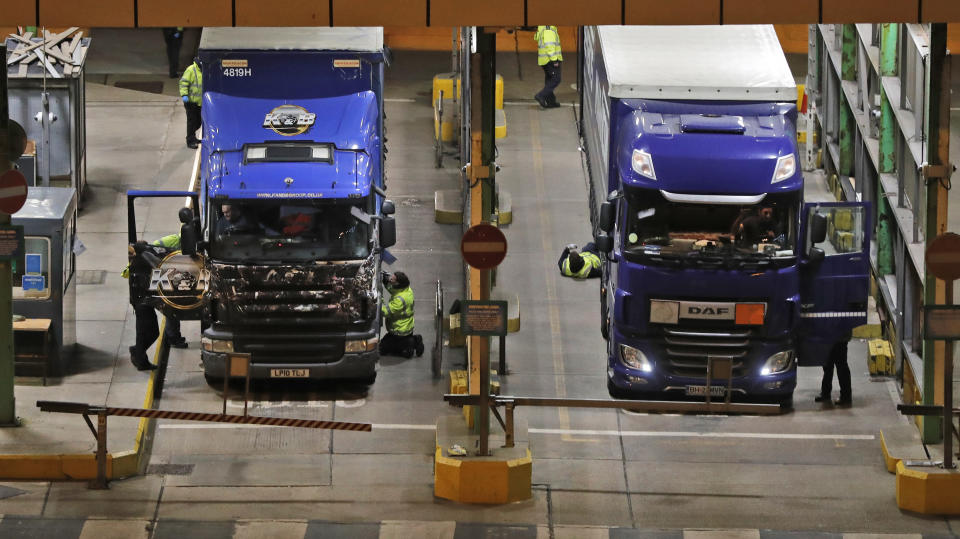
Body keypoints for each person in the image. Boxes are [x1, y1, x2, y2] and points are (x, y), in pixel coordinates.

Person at [122, 233, 188, 371]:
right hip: (141, 303)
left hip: (146, 302)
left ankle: (139, 356)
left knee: (148, 332)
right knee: (148, 333)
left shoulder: (141, 262)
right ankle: (138, 356)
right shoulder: (140, 264)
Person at [380, 271, 424, 359]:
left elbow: (385, 312)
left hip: (400, 331)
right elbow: (394, 290)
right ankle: (409, 341)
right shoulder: (406, 289)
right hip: (404, 327)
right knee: (384, 346)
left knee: (382, 350)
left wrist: (377, 302)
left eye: (392, 279)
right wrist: (386, 282)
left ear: (398, 283)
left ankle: (412, 343)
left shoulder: (400, 300)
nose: (390, 279)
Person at [816, 337, 852, 406]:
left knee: (841, 366)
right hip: (830, 337)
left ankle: (846, 396)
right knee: (827, 365)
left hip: (839, 338)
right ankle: (825, 393)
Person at [534, 25, 563, 109]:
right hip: (550, 59)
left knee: (549, 79)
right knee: (556, 79)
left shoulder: (542, 28)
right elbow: (550, 46)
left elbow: (536, 38)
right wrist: (554, 60)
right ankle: (540, 95)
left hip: (544, 60)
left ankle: (551, 101)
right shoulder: (549, 30)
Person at [179, 58, 203, 149]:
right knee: (191, 121)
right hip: (190, 102)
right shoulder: (191, 70)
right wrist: (184, 95)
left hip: (200, 102)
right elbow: (183, 83)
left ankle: (192, 136)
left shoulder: (204, 70)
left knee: (198, 122)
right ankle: (190, 140)